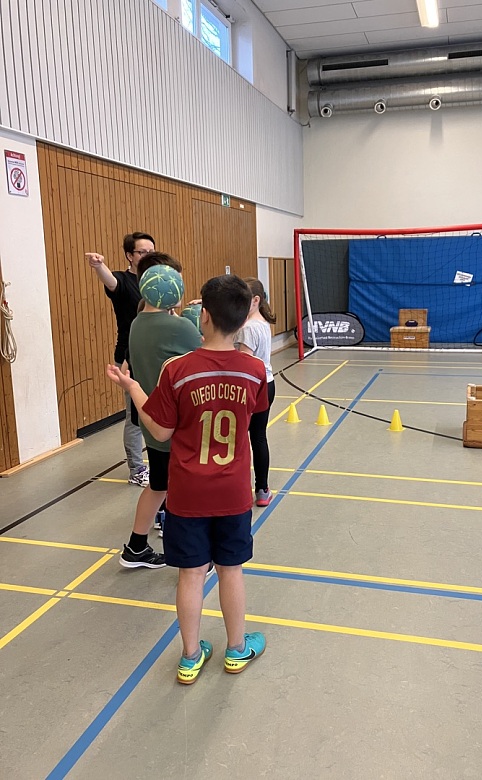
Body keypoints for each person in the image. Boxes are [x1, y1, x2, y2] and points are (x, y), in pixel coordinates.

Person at [107, 274, 268, 684]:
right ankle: (236, 649)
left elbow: (160, 431)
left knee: (191, 574)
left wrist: (133, 388)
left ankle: (191, 656)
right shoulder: (253, 371)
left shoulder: (177, 370)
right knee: (231, 570)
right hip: (233, 492)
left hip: (187, 494)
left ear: (205, 317)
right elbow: (252, 417)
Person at [119, 253, 203, 570]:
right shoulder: (177, 326)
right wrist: (198, 316)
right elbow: (210, 351)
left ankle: (137, 547)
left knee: (159, 486)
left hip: (151, 420)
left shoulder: (138, 322)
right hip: (176, 425)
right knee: (184, 492)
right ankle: (189, 553)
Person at [86, 232, 155, 487]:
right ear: (130, 255)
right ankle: (137, 469)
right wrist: (98, 265)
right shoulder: (124, 281)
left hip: (155, 357)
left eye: (152, 251)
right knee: (135, 417)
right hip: (130, 359)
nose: (148, 256)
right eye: (142, 252)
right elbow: (110, 281)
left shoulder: (157, 281)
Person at [234, 278, 276, 507]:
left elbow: (245, 362)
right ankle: (262, 489)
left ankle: (245, 488)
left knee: (243, 438)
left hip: (253, 387)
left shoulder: (249, 328)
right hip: (267, 384)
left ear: (256, 300)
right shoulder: (259, 322)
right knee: (258, 437)